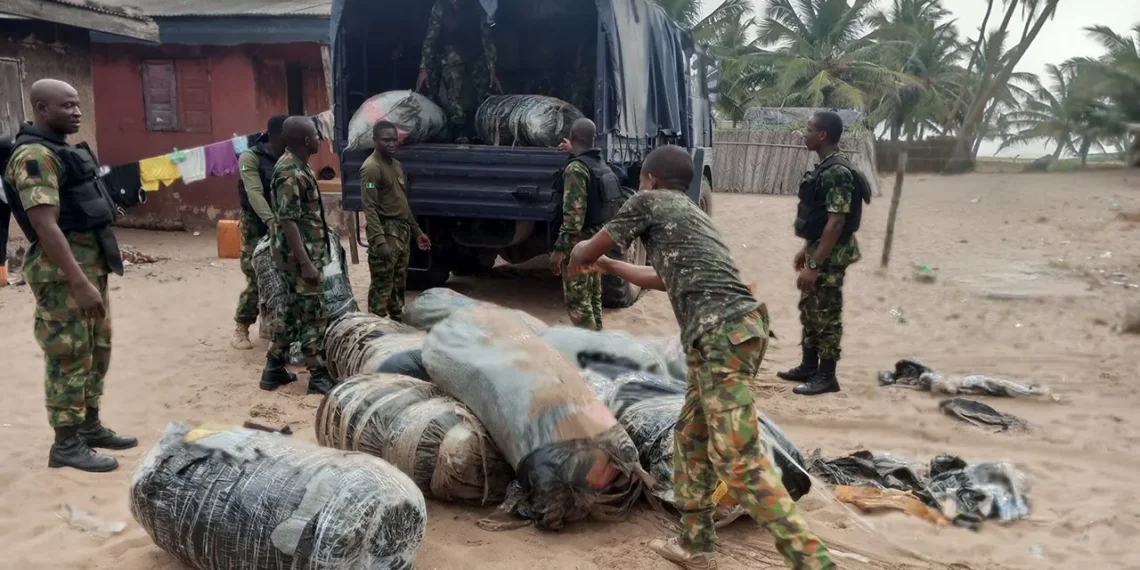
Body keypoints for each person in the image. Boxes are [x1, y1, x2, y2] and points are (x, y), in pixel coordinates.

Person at [567, 145, 834, 570]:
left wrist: (581, 253)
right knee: (690, 438)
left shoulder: (648, 201)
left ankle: (813, 561)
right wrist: (610, 267)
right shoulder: (690, 214)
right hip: (734, 332)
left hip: (721, 337)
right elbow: (661, 277)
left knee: (738, 458)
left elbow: (582, 251)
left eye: (642, 178)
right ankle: (696, 545)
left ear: (650, 178)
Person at [2, 79, 136, 472]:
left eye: (78, 105)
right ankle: (65, 444)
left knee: (97, 351)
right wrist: (78, 280)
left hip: (89, 267)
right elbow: (45, 224)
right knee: (69, 355)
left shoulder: (62, 150)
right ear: (42, 108)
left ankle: (89, 426)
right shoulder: (34, 156)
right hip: (63, 274)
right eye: (67, 106)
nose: (77, 112)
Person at [778, 111, 867, 397]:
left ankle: (827, 376)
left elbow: (836, 222)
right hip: (820, 249)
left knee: (826, 312)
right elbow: (818, 219)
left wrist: (814, 265)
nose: (804, 134)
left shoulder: (837, 172)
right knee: (811, 308)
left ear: (823, 135)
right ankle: (809, 365)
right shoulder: (825, 167)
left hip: (831, 254)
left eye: (809, 129)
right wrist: (806, 250)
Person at [259, 116, 335, 395]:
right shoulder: (290, 171)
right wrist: (306, 264)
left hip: (301, 254)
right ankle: (318, 375)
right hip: (299, 259)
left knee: (291, 312)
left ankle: (273, 369)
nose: (320, 139)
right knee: (314, 315)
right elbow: (288, 220)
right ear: (306, 140)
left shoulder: (298, 166)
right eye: (316, 135)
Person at [550, 118, 619, 331]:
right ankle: (598, 341)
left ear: (572, 138)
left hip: (578, 245)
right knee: (593, 297)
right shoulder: (600, 163)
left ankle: (589, 352)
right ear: (594, 139)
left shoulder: (576, 169)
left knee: (578, 302)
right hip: (596, 241)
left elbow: (573, 218)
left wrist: (560, 250)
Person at [360, 121, 431, 320]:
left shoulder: (396, 165)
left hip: (401, 231)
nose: (391, 144)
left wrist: (417, 232)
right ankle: (375, 327)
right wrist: (380, 241)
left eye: (394, 139)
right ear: (375, 140)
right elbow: (370, 208)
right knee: (383, 283)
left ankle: (396, 320)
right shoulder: (371, 169)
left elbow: (402, 202)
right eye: (386, 140)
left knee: (399, 281)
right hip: (385, 229)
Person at [231, 114, 289, 351]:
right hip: (255, 224)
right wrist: (271, 221)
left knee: (285, 275)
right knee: (257, 276)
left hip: (284, 222)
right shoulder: (250, 157)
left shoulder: (289, 158)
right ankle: (241, 328)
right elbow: (254, 192)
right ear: (275, 135)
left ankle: (273, 326)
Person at [416, 0, 500, 142]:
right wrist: (424, 68)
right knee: (455, 94)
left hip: (476, 53)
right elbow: (431, 39)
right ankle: (459, 131)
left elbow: (486, 37)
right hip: (452, 53)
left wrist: (491, 66)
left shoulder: (476, 7)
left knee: (482, 92)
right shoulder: (440, 7)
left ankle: (479, 129)